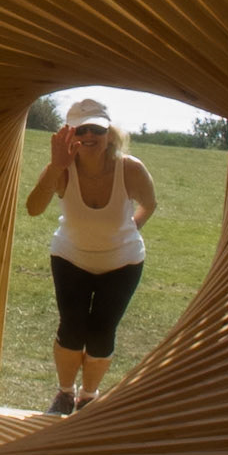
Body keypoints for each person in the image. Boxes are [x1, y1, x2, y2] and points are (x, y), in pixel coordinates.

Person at [25, 98, 156, 415]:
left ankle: (88, 397)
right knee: (71, 328)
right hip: (71, 258)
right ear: (68, 134)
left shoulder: (131, 168)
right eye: (80, 129)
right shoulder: (62, 170)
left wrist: (128, 231)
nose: (88, 135)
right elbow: (33, 208)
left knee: (101, 333)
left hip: (122, 263)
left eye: (95, 128)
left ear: (109, 133)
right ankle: (65, 394)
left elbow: (149, 204)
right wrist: (56, 165)